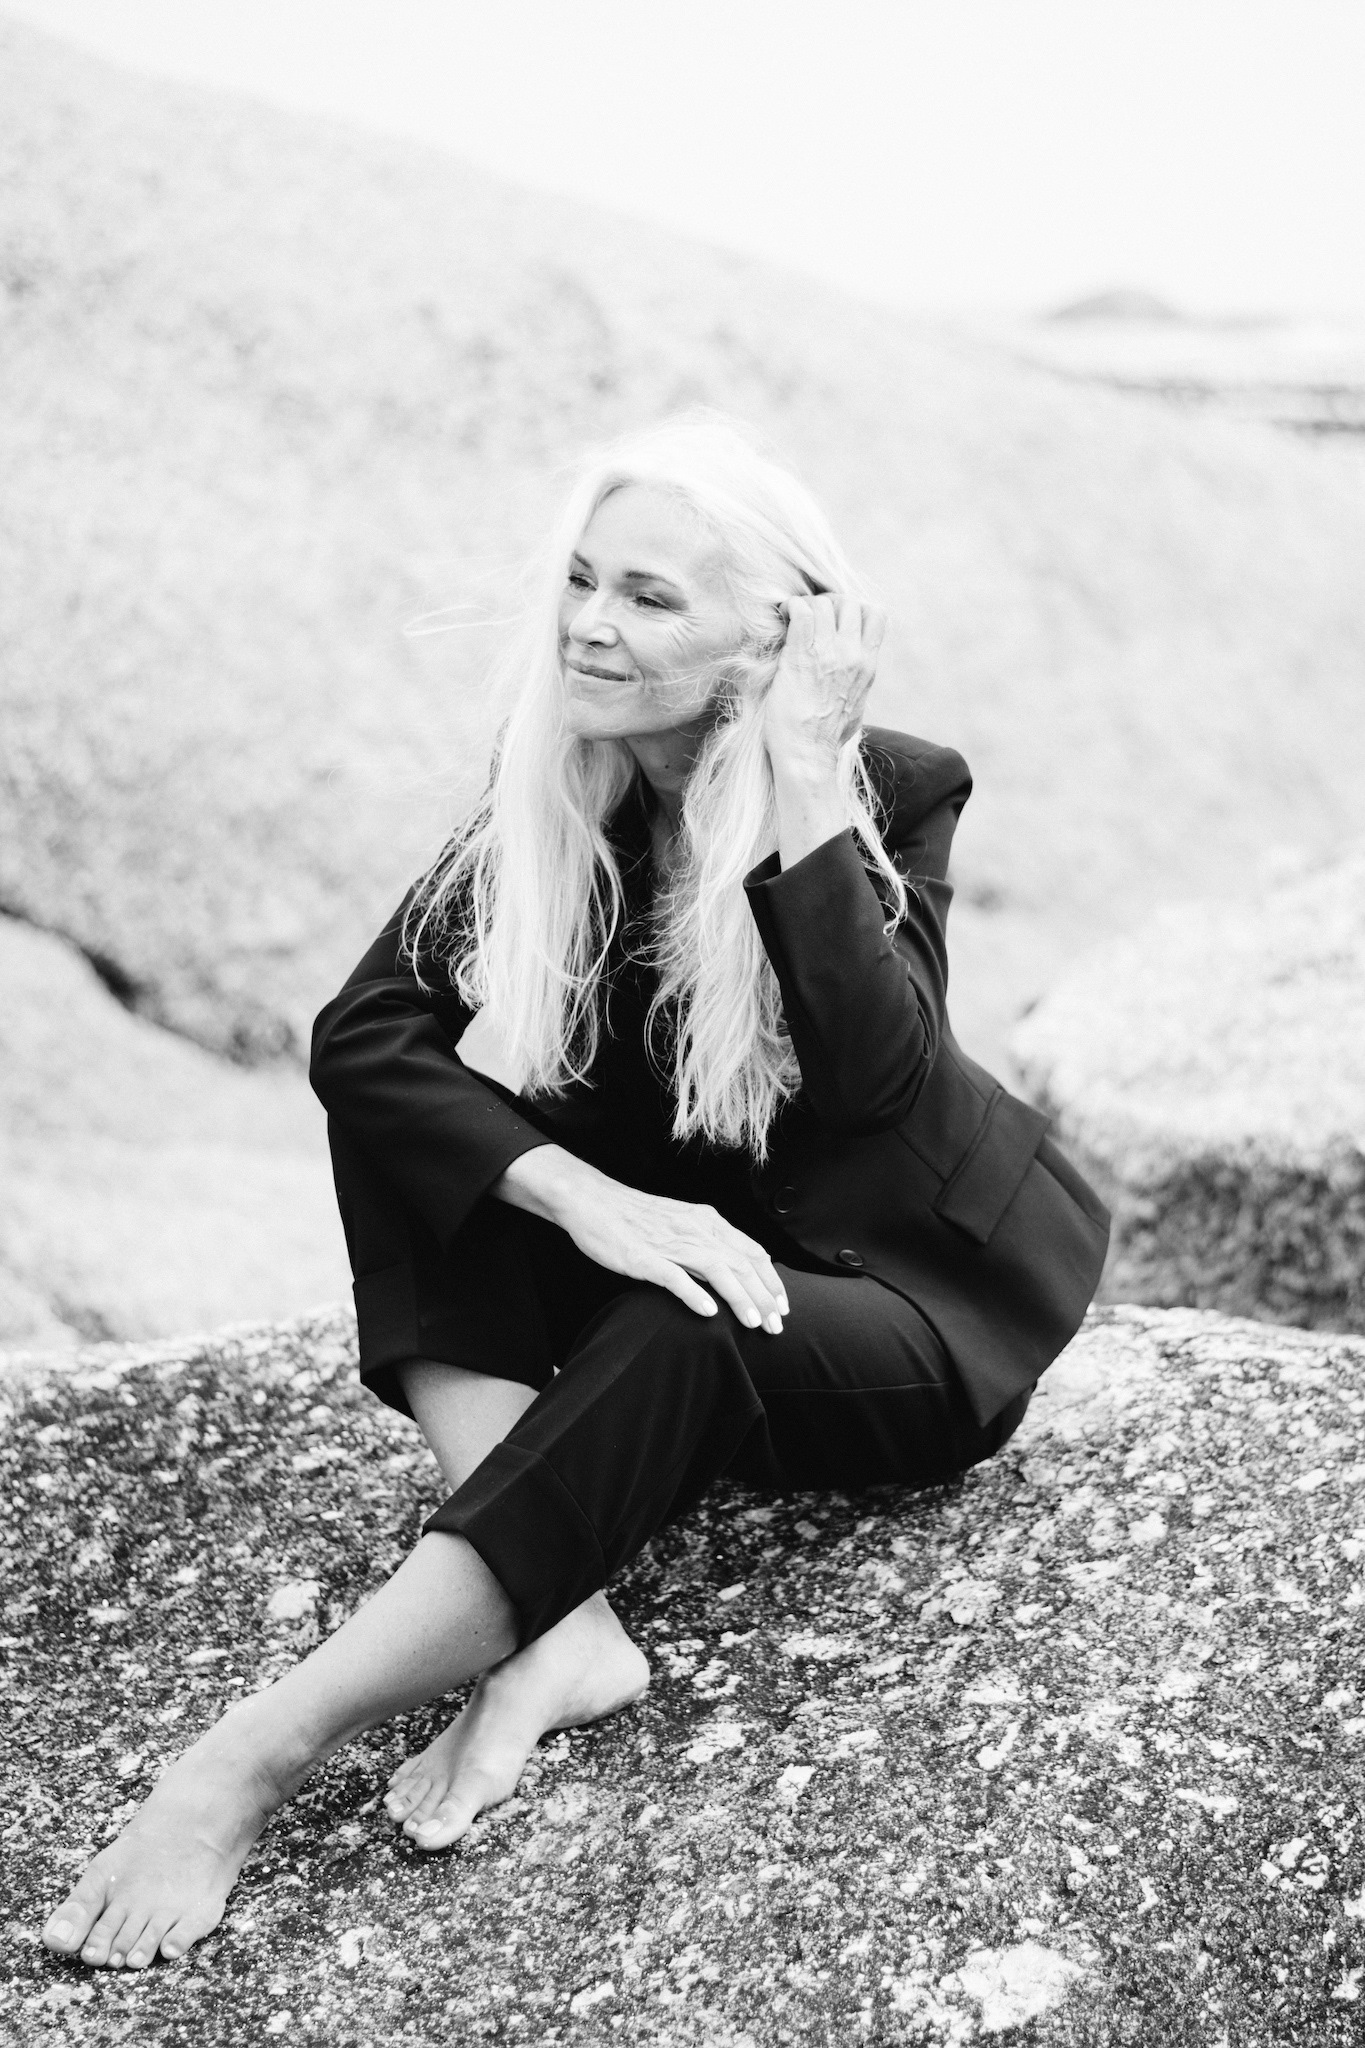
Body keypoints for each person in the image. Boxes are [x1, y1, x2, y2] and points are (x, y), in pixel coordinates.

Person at [43, 415, 1108, 1972]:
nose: (591, 625)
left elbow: (880, 1082)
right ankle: (561, 1622)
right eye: (583, 581)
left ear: (775, 631)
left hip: (910, 1296)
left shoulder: (886, 786)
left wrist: (803, 773)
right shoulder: (564, 780)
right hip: (690, 1248)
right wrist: (579, 1198)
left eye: (652, 597)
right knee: (414, 1129)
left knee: (694, 1322)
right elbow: (365, 1034)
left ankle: (248, 1757)